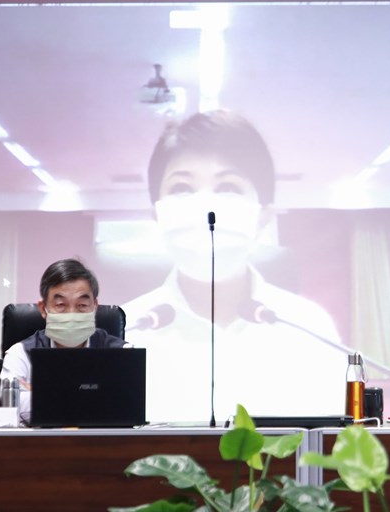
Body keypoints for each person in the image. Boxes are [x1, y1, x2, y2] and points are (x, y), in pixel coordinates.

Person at [122, 109, 348, 423]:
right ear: (157, 215)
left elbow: (332, 441)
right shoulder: (126, 331)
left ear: (263, 216)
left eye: (228, 187)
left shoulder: (308, 326)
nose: (205, 207)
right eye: (181, 188)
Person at [0, 258, 125, 423]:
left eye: (82, 305)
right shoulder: (20, 354)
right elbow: (12, 408)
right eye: (60, 305)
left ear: (94, 307)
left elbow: (130, 405)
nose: (71, 314)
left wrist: (43, 394)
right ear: (43, 308)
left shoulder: (123, 353)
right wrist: (92, 396)